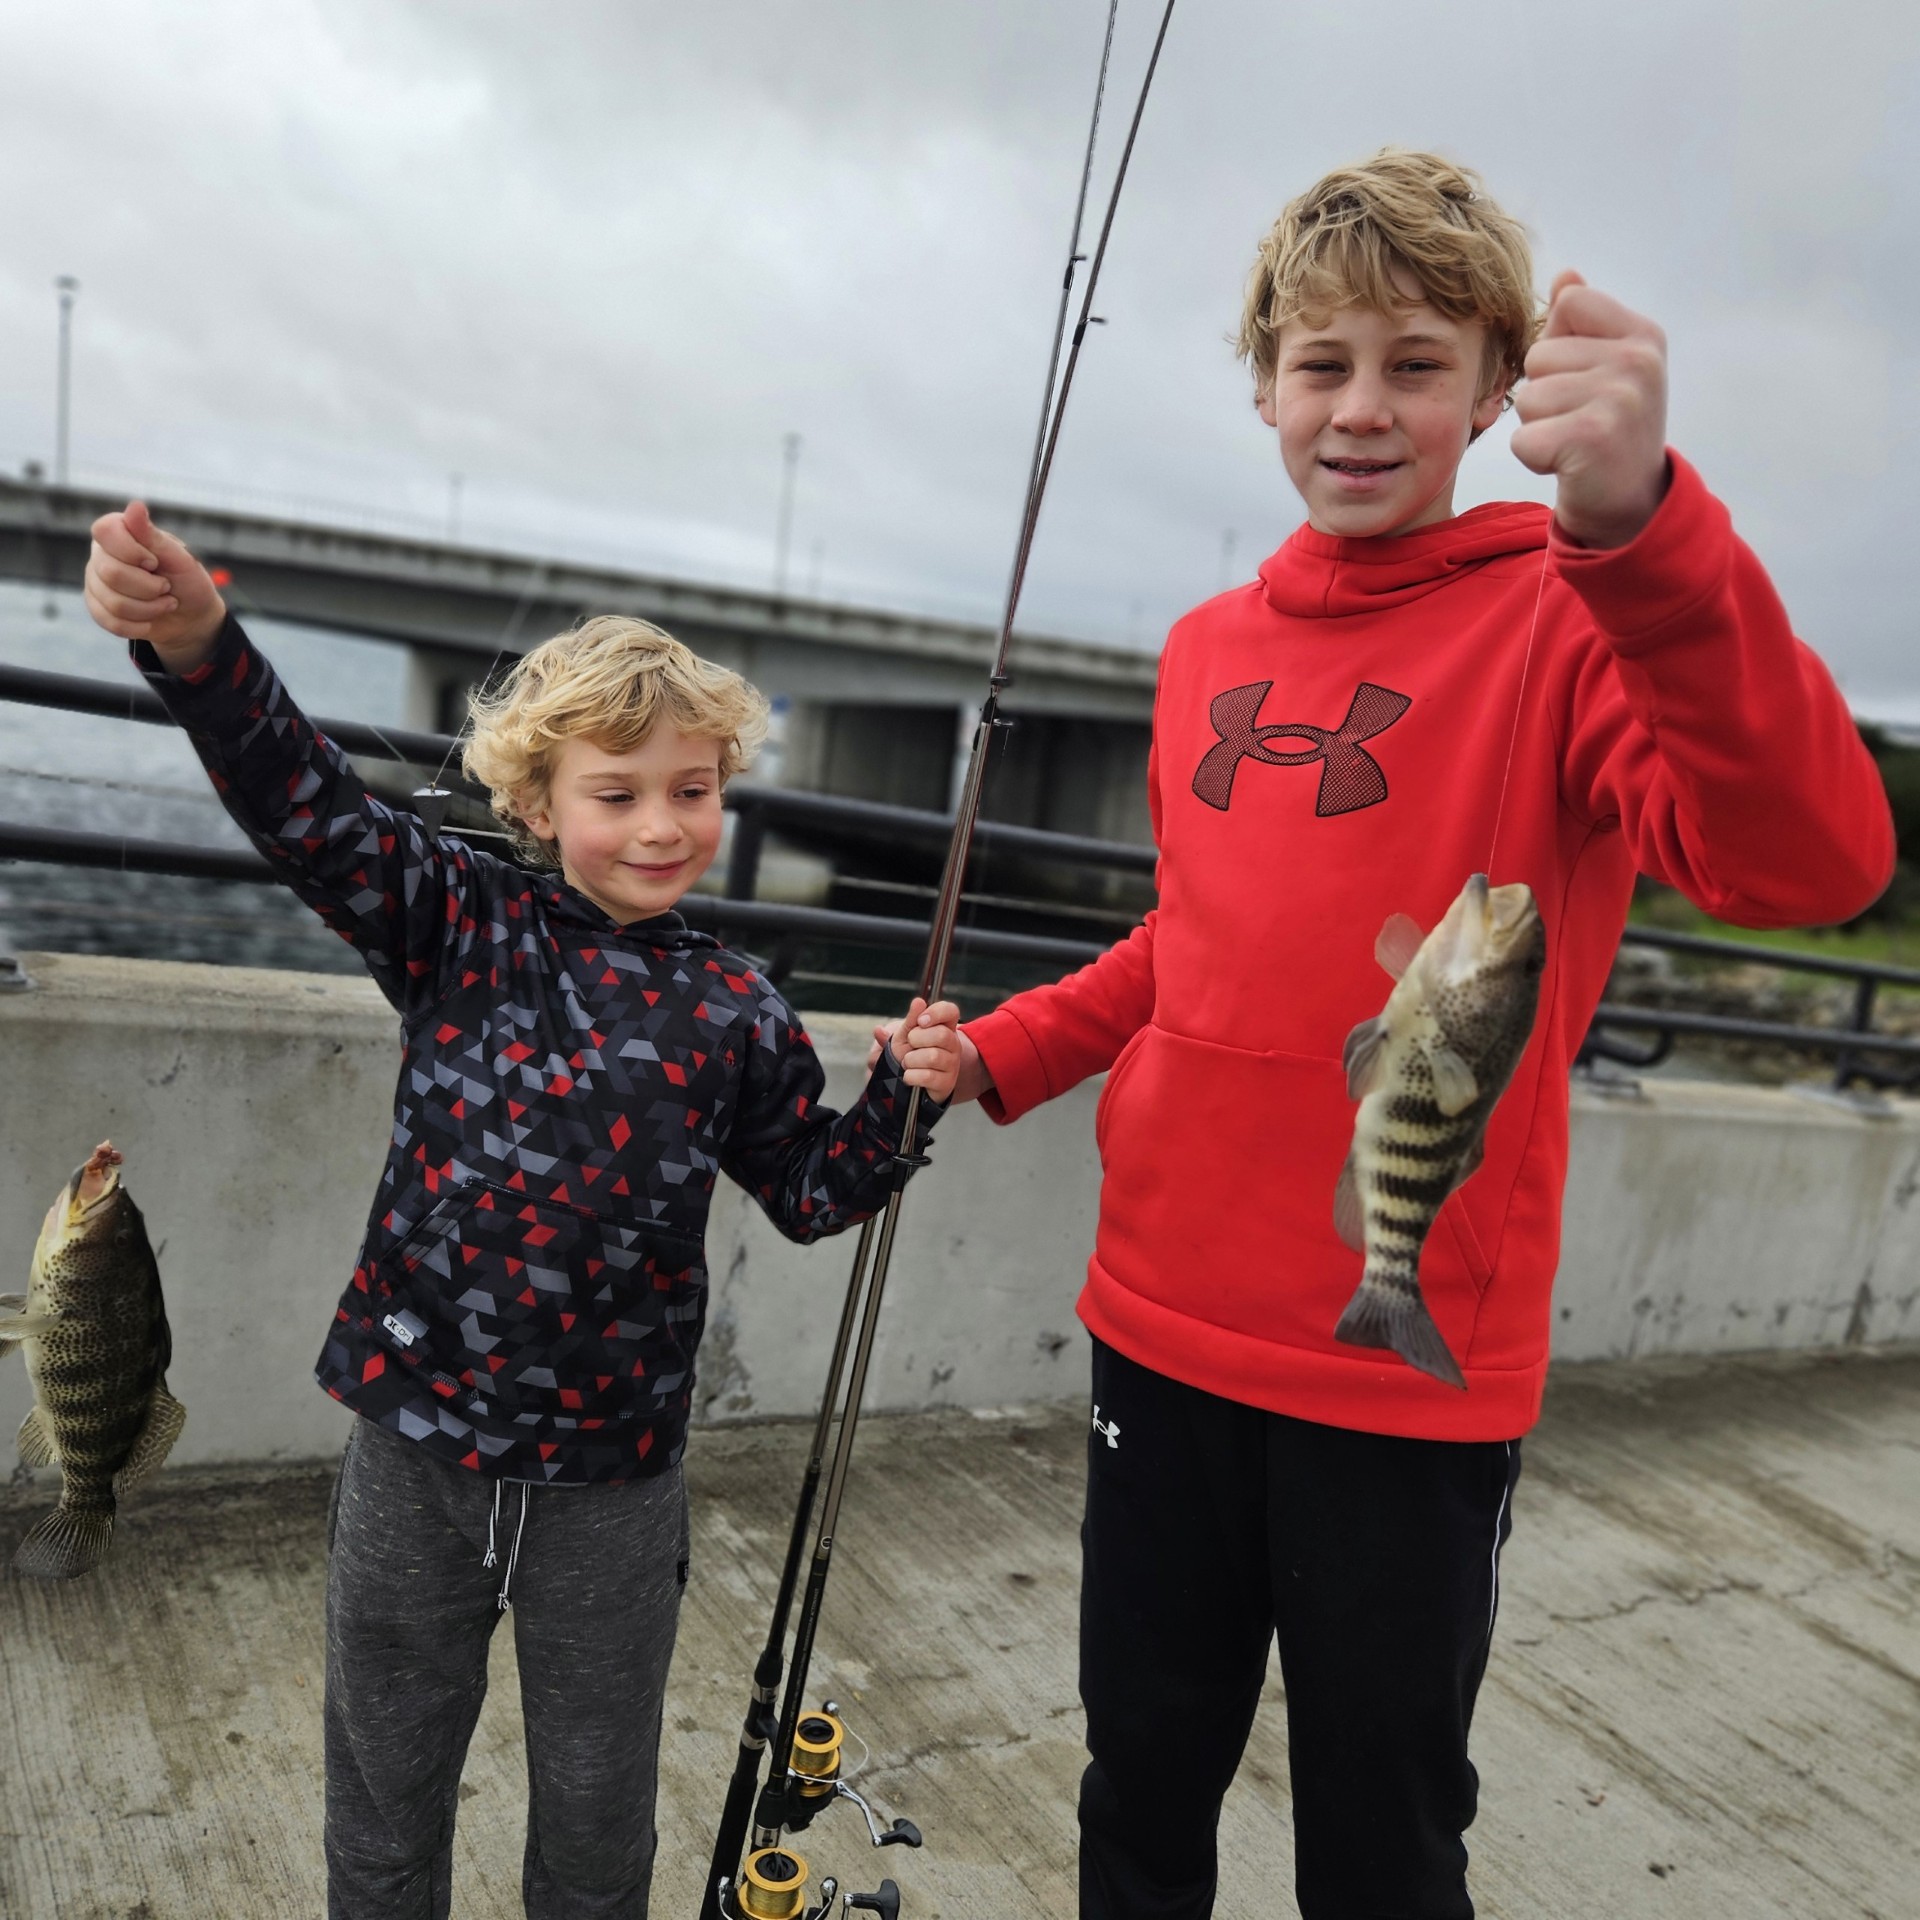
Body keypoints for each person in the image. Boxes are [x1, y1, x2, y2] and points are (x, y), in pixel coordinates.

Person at [884, 149, 1895, 1918]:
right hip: (1159, 1325)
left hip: (1402, 1364)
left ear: (1500, 386)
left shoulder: (1580, 619)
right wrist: (1017, 1047)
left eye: (1418, 364)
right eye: (1321, 362)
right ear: (1264, 381)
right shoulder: (1204, 646)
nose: (1362, 409)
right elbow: (1194, 939)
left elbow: (1812, 862)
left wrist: (1648, 527)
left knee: (1383, 1827)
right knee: (1139, 1782)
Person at [82, 501, 963, 1920]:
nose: (662, 825)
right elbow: (296, 792)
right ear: (538, 806)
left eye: (694, 789)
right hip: (413, 1447)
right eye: (618, 793)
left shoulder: (740, 1005)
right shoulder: (453, 918)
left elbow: (808, 1192)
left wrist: (912, 1102)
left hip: (613, 1484)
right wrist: (198, 644)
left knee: (601, 1815)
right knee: (382, 1788)